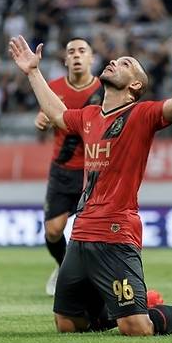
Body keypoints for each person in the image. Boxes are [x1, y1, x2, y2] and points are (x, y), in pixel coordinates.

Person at [8, 12, 172, 335]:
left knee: (135, 328)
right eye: (115, 60)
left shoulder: (141, 115)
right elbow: (58, 114)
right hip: (80, 235)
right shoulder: (90, 116)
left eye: (126, 64)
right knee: (68, 324)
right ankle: (137, 302)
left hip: (117, 234)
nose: (114, 63)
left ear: (135, 85)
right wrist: (33, 73)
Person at [36, 38, 103, 296]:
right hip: (63, 169)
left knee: (93, 232)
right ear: (65, 60)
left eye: (82, 51)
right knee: (53, 231)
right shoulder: (53, 88)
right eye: (71, 51)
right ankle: (62, 266)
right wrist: (42, 119)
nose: (76, 55)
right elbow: (45, 113)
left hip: (95, 170)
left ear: (91, 58)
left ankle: (91, 279)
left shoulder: (104, 89)